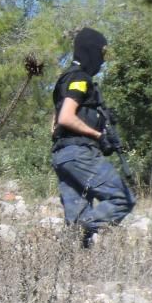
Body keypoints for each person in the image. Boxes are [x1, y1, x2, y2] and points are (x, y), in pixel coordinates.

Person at [50, 27, 135, 247]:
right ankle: (81, 229)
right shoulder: (80, 78)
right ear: (90, 50)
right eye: (101, 53)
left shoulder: (64, 79)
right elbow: (66, 117)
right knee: (122, 199)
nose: (102, 61)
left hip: (63, 155)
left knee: (76, 221)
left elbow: (55, 124)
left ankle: (72, 260)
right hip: (80, 153)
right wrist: (98, 134)